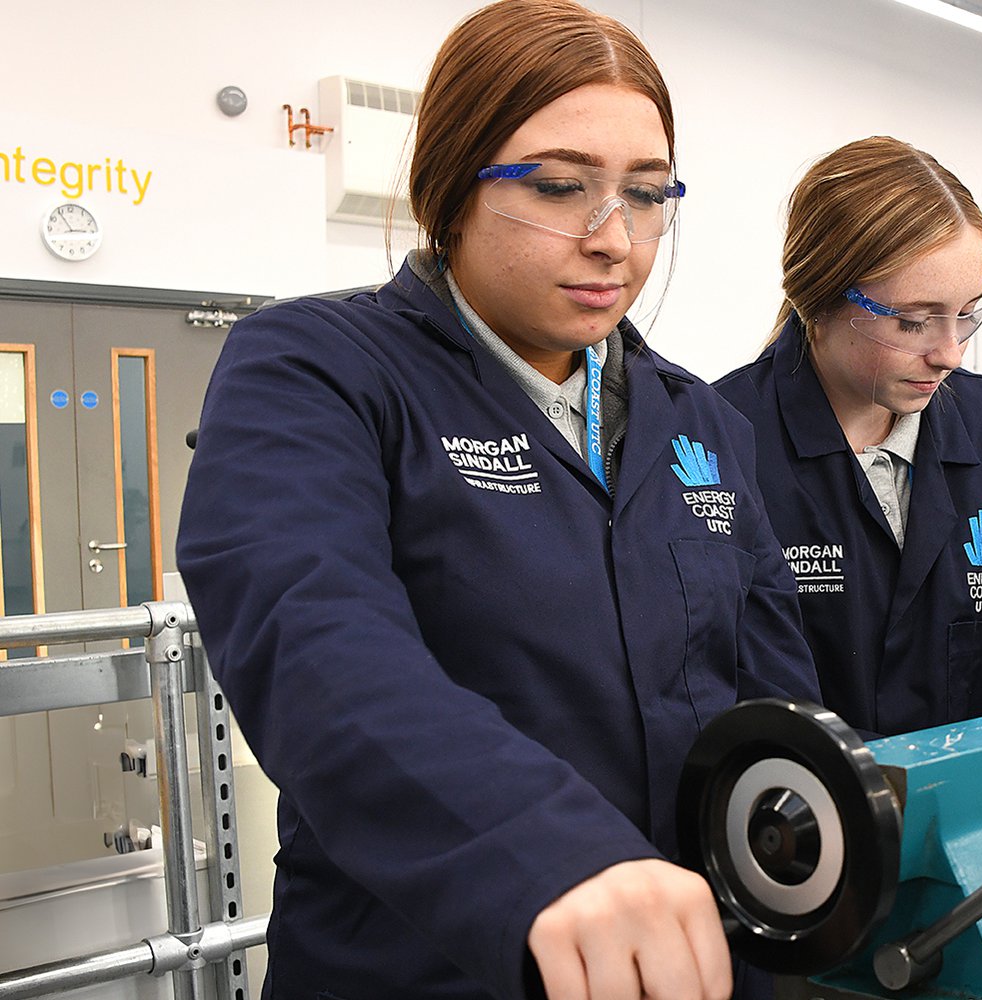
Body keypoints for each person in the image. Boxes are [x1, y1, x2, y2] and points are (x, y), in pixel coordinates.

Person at [176, 4, 819, 999]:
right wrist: (544, 849)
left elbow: (776, 700)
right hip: (419, 964)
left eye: (647, 195)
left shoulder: (697, 422)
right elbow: (317, 647)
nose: (615, 239)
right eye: (560, 187)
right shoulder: (314, 372)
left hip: (688, 966)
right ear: (449, 188)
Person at [714, 137, 982, 739]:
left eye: (968, 312)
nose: (950, 353)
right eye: (912, 321)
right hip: (814, 817)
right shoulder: (723, 443)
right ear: (820, 298)